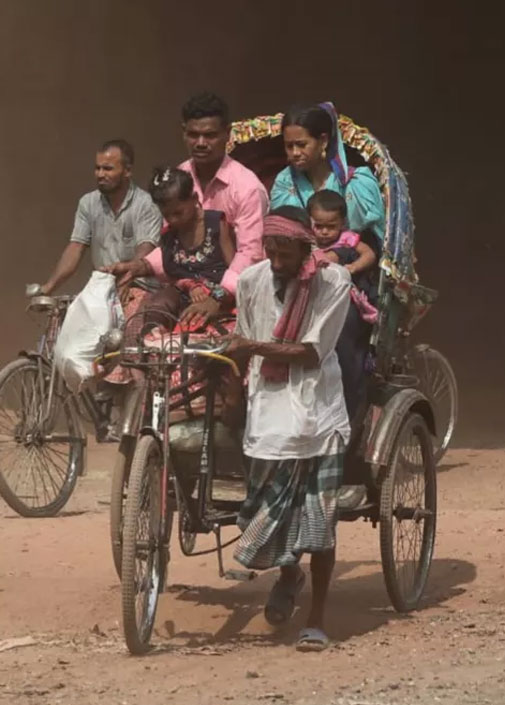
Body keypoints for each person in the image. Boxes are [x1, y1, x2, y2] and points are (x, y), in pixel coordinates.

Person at [223, 213, 363, 653]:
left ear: (307, 250)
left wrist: (252, 349)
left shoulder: (334, 282)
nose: (277, 258)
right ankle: (288, 574)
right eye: (270, 249)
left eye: (286, 251)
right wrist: (232, 395)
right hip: (267, 413)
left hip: (316, 414)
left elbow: (311, 352)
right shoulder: (250, 281)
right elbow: (240, 341)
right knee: (267, 511)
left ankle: (317, 616)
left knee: (319, 524)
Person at [138, 92, 269, 324]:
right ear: (183, 133)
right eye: (193, 134)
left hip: (234, 296)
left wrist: (217, 298)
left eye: (210, 135)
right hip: (185, 288)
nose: (200, 143)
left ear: (227, 134)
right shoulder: (180, 175)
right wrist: (140, 265)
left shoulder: (247, 187)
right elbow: (173, 244)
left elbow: (251, 255)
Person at [103, 166, 236, 327]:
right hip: (183, 298)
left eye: (178, 213)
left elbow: (235, 273)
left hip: (218, 301)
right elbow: (170, 274)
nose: (172, 220)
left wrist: (215, 298)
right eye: (167, 215)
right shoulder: (168, 235)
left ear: (194, 199)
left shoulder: (216, 224)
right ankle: (154, 340)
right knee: (158, 304)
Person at [36, 139, 162, 299]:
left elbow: (145, 250)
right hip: (103, 286)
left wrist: (125, 282)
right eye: (98, 168)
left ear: (127, 171)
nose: (100, 174)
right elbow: (76, 247)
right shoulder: (87, 203)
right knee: (65, 318)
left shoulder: (146, 204)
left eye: (108, 169)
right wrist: (49, 287)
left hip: (139, 286)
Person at [307, 191, 379, 419]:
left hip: (343, 302)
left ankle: (349, 405)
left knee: (344, 353)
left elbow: (369, 255)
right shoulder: (304, 241)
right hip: (310, 301)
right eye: (319, 226)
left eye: (331, 226)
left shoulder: (347, 239)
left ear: (342, 223)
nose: (325, 232)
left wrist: (351, 268)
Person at [270, 103, 385, 241]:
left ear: (323, 141)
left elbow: (373, 241)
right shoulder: (285, 182)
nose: (295, 153)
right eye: (289, 146)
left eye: (301, 145)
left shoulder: (357, 184)